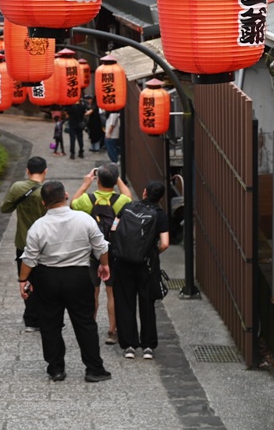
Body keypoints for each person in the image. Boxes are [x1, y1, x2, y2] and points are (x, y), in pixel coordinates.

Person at [18, 181, 113, 383]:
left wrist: (23, 279)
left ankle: (56, 369)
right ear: (66, 196)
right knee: (85, 323)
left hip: (47, 277)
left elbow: (29, 258)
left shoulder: (38, 226)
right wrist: (104, 265)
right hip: (78, 276)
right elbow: (101, 246)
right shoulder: (84, 219)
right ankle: (94, 368)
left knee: (50, 324)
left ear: (44, 203)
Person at [71, 164, 132, 345]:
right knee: (112, 293)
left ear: (97, 180)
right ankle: (112, 331)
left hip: (91, 254)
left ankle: (90, 328)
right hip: (112, 253)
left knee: (93, 293)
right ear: (114, 181)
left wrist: (85, 184)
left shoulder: (88, 200)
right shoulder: (120, 200)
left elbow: (72, 204)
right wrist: (117, 177)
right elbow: (129, 196)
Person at [112, 180, 170, 360]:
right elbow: (165, 243)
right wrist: (153, 252)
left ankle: (129, 345)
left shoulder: (127, 207)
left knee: (124, 302)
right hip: (147, 265)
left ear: (144, 192)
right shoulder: (160, 215)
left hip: (123, 263)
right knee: (147, 303)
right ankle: (148, 346)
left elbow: (113, 230)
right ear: (161, 197)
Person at [0, 156, 48, 332]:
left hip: (23, 241)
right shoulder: (48, 191)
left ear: (27, 171)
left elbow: (4, 208)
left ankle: (31, 319)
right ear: (45, 171)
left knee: (25, 279)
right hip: (45, 243)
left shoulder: (17, 188)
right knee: (44, 280)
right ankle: (45, 318)